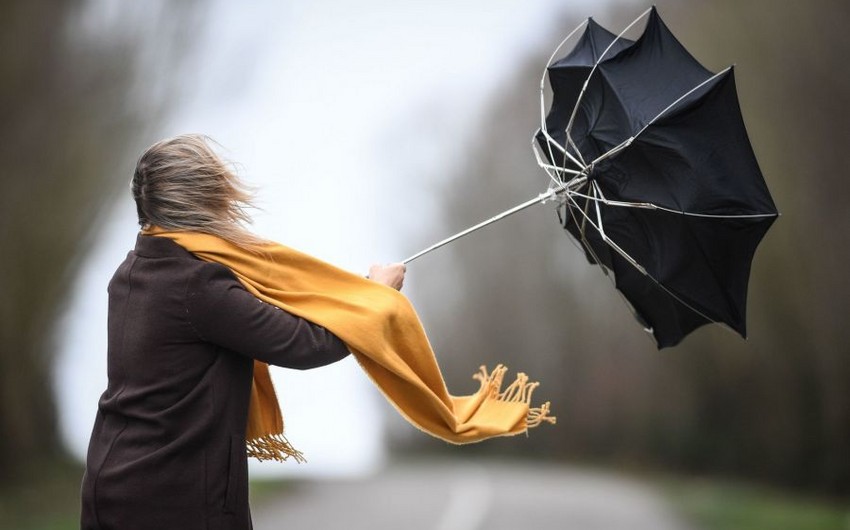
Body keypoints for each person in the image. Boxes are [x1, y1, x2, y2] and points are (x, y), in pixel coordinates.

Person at [80, 134, 405, 530]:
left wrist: (353, 291)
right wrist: (377, 298)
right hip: (172, 500)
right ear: (205, 201)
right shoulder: (196, 285)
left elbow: (257, 313)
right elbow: (305, 344)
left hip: (112, 485)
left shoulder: (133, 271)